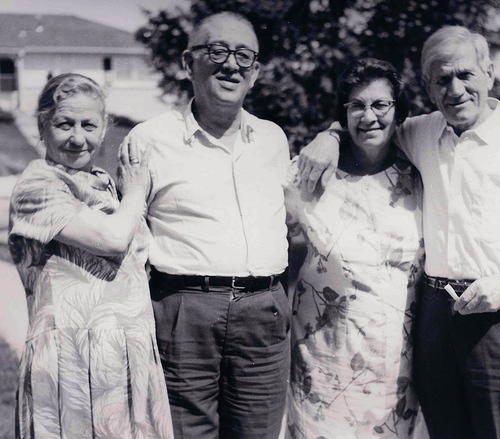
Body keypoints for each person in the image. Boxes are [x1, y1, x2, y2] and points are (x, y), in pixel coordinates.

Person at [296, 26, 500, 439]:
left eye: (465, 75)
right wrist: (330, 136)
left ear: (489, 73)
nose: (455, 89)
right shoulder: (419, 133)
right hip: (435, 318)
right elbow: (370, 123)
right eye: (442, 79)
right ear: (427, 87)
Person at [121, 11, 291, 439]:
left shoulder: (273, 138)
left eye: (244, 55)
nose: (231, 64)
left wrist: (333, 134)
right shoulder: (149, 140)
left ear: (255, 73)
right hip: (183, 311)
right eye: (217, 51)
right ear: (187, 62)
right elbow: (121, 237)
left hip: (263, 312)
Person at [9, 73, 173, 439]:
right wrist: (136, 192)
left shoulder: (105, 185)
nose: (77, 138)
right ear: (42, 126)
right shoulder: (37, 186)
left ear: (104, 129)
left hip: (127, 353)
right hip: (72, 358)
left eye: (89, 125)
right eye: (64, 124)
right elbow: (112, 239)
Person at [285, 58, 428, 438]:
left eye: (380, 104)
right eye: (356, 105)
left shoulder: (419, 177)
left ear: (398, 111)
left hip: (394, 367)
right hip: (322, 363)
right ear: (343, 113)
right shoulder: (311, 171)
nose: (369, 116)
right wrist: (329, 136)